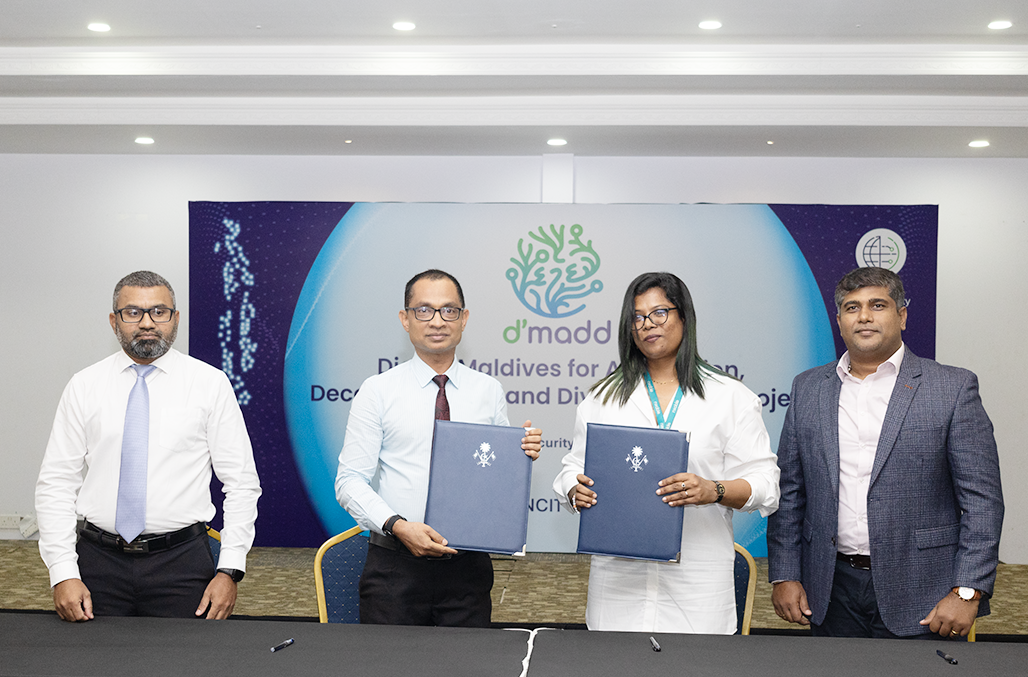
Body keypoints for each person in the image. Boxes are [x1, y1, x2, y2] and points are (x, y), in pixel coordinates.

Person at [767, 266, 1003, 639]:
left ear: (902, 316)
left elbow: (982, 501)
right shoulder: (808, 388)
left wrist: (968, 590)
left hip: (925, 593)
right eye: (852, 307)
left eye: (877, 305)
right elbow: (790, 493)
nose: (864, 316)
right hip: (828, 590)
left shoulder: (952, 388)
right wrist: (785, 574)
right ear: (840, 321)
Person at [552, 272, 780, 633]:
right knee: (612, 659)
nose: (647, 324)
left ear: (684, 317)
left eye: (659, 312)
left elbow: (765, 486)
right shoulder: (602, 397)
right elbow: (571, 467)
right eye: (637, 317)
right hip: (618, 581)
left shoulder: (729, 396)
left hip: (697, 583)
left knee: (694, 662)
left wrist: (714, 490)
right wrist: (573, 488)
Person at [35, 271, 261, 622]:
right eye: (133, 312)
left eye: (159, 312)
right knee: (91, 655)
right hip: (97, 563)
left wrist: (229, 570)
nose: (147, 322)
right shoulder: (84, 386)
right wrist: (63, 572)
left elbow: (242, 484)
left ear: (175, 319)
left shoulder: (210, 384)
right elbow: (56, 484)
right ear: (114, 321)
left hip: (182, 564)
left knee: (184, 656)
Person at [335, 268, 542, 627]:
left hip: (467, 571)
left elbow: (494, 482)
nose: (437, 321)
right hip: (394, 569)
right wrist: (398, 526)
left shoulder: (488, 390)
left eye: (448, 310)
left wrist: (519, 457)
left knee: (467, 659)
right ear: (405, 319)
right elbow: (349, 481)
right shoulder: (377, 391)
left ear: (464, 319)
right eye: (423, 310)